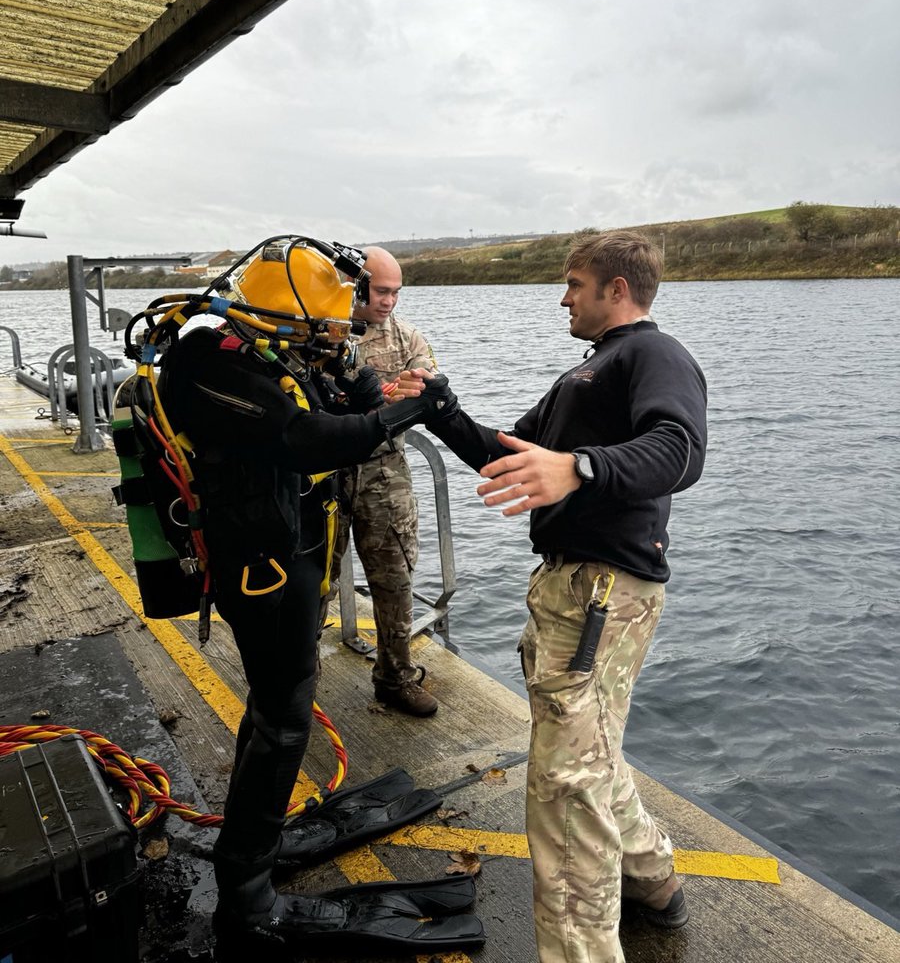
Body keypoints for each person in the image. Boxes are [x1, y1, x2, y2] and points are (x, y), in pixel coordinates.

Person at [127, 236, 475, 956]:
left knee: (278, 701)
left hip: (287, 550)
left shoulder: (273, 353)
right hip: (256, 566)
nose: (338, 334)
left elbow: (346, 399)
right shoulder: (209, 358)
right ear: (290, 314)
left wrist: (364, 384)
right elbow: (312, 438)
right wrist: (407, 415)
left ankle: (257, 844)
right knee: (284, 717)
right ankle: (246, 899)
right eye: (328, 324)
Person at [412, 230, 708, 963]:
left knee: (564, 786)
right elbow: (510, 456)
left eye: (574, 283)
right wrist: (439, 408)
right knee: (589, 754)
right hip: (574, 590)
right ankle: (653, 880)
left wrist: (579, 467)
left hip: (603, 591)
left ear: (617, 289)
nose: (563, 296)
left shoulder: (652, 353)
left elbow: (680, 449)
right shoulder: (588, 373)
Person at [333, 245, 439, 716]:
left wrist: (402, 400)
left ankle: (396, 677)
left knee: (395, 577)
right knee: (313, 576)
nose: (389, 301)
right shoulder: (322, 332)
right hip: (324, 470)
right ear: (356, 285)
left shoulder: (407, 337)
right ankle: (297, 678)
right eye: (381, 291)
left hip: (384, 472)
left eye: (396, 292)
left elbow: (428, 393)